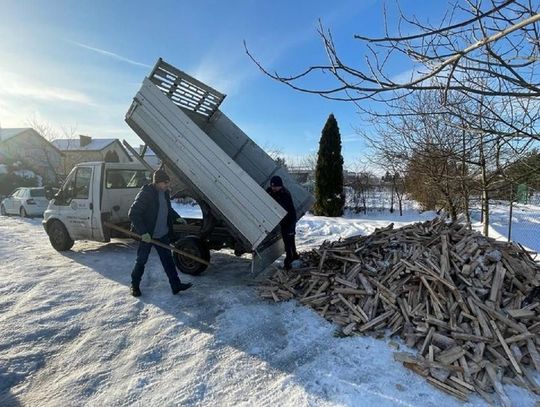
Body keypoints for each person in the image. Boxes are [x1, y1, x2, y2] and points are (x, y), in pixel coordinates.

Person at [128, 169, 192, 297]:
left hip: (162, 233)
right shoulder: (146, 193)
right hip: (148, 235)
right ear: (157, 182)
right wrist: (143, 232)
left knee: (168, 260)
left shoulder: (165, 193)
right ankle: (134, 285)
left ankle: (176, 285)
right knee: (141, 260)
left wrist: (176, 217)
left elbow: (168, 209)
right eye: (165, 183)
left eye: (168, 183)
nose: (168, 186)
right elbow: (133, 213)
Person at [266, 175, 299, 270]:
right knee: (290, 239)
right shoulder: (271, 191)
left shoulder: (285, 194)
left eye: (276, 187)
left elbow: (280, 207)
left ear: (280, 186)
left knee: (288, 241)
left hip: (289, 220)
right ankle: (295, 255)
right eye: (272, 186)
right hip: (283, 221)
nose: (273, 188)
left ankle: (288, 263)